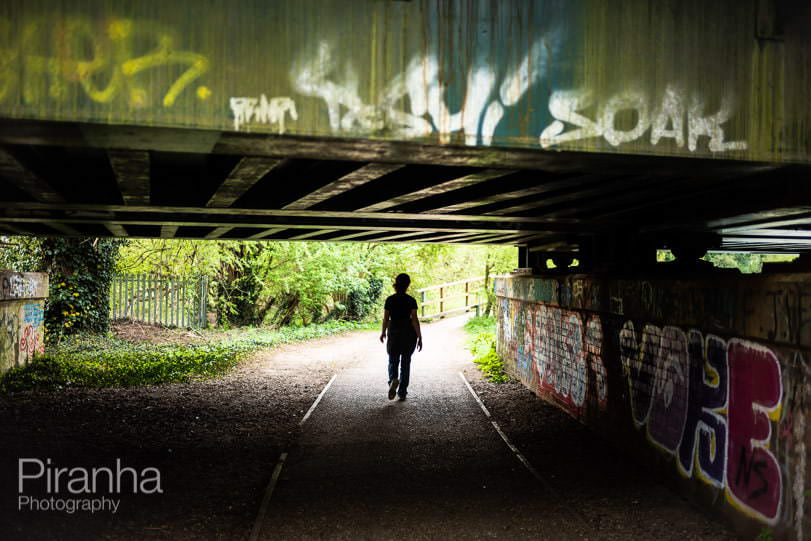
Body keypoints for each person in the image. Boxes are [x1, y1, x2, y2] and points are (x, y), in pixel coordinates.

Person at [379, 273, 422, 401]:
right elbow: (414, 320)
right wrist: (420, 337)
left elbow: (386, 319)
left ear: (396, 283)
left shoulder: (390, 300)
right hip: (408, 334)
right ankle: (402, 391)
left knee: (393, 360)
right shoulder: (411, 300)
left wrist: (382, 332)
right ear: (408, 285)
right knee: (405, 362)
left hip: (394, 333)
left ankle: (393, 380)